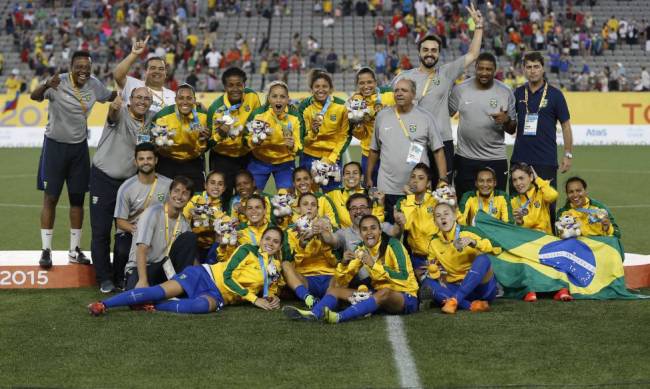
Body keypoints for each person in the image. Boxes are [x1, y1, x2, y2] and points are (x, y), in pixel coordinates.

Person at [31, 51, 115, 269]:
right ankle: (46, 250)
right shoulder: (57, 82)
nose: (83, 71)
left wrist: (134, 91)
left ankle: (74, 250)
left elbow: (111, 96)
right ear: (71, 66)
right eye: (79, 66)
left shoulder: (95, 85)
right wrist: (46, 85)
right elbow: (35, 96)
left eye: (87, 67)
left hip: (79, 149)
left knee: (77, 201)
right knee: (50, 198)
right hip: (54, 147)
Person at [88, 227, 284, 315]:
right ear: (261, 240)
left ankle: (152, 307)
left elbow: (269, 288)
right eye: (267, 239)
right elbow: (227, 277)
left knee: (201, 307)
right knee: (159, 290)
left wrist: (271, 297)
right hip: (204, 275)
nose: (270, 243)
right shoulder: (247, 250)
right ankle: (103, 304)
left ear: (280, 247)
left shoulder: (275, 267)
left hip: (218, 296)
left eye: (275, 241)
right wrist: (254, 299)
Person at [392, 4, 484, 182]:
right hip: (415, 142)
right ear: (419, 52)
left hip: (443, 141)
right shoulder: (404, 77)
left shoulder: (447, 72)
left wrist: (478, 26)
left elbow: (473, 54)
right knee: (415, 189)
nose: (429, 54)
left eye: (434, 50)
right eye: (425, 50)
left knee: (443, 189)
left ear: (439, 54)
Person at [283, 215, 418, 323]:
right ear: (360, 232)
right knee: (336, 290)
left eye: (373, 228)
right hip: (377, 295)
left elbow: (404, 277)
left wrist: (374, 265)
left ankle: (339, 317)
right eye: (364, 229)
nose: (369, 233)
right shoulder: (361, 249)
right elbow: (342, 281)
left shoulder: (394, 245)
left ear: (380, 230)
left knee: (385, 292)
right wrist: (343, 264)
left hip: (405, 296)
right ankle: (313, 314)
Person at [90, 88, 154, 293]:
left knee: (124, 232)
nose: (142, 102)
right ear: (130, 100)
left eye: (146, 98)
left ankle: (119, 276)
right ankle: (104, 278)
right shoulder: (121, 112)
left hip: (128, 184)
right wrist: (114, 107)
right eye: (138, 98)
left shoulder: (151, 119)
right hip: (103, 178)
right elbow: (113, 115)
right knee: (100, 231)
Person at [366, 78, 447, 221]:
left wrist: (442, 179)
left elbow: (438, 151)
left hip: (417, 189)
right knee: (389, 232)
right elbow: (374, 150)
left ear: (413, 94)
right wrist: (368, 176)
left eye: (404, 90)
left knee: (416, 235)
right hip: (387, 188)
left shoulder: (426, 117)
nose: (399, 93)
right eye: (396, 90)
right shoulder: (382, 116)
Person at [449, 52, 516, 196]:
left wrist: (506, 121)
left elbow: (512, 129)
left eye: (488, 69)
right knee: (464, 205)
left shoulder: (505, 92)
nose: (484, 73)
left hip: (495, 159)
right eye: (481, 68)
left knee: (496, 207)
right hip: (465, 159)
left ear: (495, 70)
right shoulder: (460, 90)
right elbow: (444, 115)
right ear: (475, 68)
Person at [418, 202, 500, 314]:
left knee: (483, 259)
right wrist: (437, 275)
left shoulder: (469, 231)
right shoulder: (433, 242)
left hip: (481, 288)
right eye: (438, 216)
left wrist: (474, 242)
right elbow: (434, 267)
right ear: (435, 222)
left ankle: (455, 300)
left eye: (446, 213)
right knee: (427, 283)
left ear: (455, 216)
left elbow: (497, 247)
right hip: (456, 286)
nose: (442, 217)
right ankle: (471, 306)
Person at [113, 143, 173, 291]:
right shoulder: (126, 188)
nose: (146, 162)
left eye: (149, 158)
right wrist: (138, 231)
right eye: (141, 159)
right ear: (135, 162)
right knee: (122, 250)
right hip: (132, 231)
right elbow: (120, 221)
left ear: (156, 160)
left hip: (160, 232)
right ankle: (121, 280)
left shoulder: (168, 184)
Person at [511, 51, 574, 192]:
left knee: (547, 207)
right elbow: (509, 123)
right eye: (529, 67)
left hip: (546, 160)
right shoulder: (517, 93)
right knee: (518, 209)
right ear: (523, 69)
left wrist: (568, 154)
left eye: (536, 66)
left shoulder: (555, 95)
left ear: (543, 68)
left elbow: (566, 126)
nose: (532, 71)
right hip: (519, 160)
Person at [123, 176, 197, 290]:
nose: (179, 196)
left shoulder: (184, 224)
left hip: (165, 269)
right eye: (176, 191)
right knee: (137, 297)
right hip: (142, 268)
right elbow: (141, 249)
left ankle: (180, 283)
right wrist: (143, 281)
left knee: (190, 238)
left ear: (189, 198)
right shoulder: (152, 213)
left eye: (185, 193)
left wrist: (203, 277)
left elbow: (191, 257)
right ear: (169, 192)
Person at [394, 163, 460, 278]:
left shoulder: (436, 199)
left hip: (440, 255)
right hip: (418, 258)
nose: (415, 181)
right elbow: (407, 225)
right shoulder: (403, 202)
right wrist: (410, 196)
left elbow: (455, 217)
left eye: (421, 178)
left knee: (443, 282)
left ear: (428, 183)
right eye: (413, 177)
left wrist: (452, 200)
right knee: (424, 285)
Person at [206, 67, 261, 203]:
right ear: (224, 87)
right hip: (223, 158)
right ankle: (222, 222)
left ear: (244, 85)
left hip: (246, 155)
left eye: (239, 85)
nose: (235, 89)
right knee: (223, 194)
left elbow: (258, 120)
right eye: (230, 85)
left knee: (246, 192)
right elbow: (209, 141)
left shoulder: (252, 97)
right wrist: (220, 133)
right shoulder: (216, 108)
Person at [281, 193, 338, 309]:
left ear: (317, 209)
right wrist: (302, 245)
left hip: (331, 277)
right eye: (305, 204)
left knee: (343, 271)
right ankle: (308, 298)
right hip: (305, 278)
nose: (309, 207)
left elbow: (337, 261)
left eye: (313, 205)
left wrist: (323, 237)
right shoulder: (290, 231)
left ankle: (323, 304)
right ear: (298, 208)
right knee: (285, 265)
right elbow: (291, 264)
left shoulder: (330, 228)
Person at [150, 84, 209, 193]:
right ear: (175, 100)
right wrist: (158, 142)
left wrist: (206, 139)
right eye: (181, 98)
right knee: (162, 195)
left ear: (195, 100)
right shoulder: (163, 116)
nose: (185, 102)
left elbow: (211, 142)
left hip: (193, 161)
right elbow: (152, 141)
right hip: (167, 161)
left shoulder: (204, 116)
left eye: (189, 98)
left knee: (197, 197)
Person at [298, 70, 350, 192]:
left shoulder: (341, 106)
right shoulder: (304, 107)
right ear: (311, 89)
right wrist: (313, 133)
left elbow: (345, 135)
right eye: (317, 86)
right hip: (308, 157)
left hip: (332, 157)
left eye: (324, 86)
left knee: (333, 196)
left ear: (331, 89)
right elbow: (302, 139)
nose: (321, 89)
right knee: (308, 197)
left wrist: (331, 158)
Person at [246, 81, 304, 191]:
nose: (278, 100)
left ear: (288, 99)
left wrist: (292, 146)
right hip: (259, 161)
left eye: (282, 97)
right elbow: (245, 140)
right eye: (274, 96)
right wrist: (254, 142)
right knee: (251, 196)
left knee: (286, 200)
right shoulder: (258, 114)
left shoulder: (295, 117)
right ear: (268, 99)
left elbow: (300, 148)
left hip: (285, 163)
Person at [348, 67, 395, 184]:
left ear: (375, 82)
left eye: (369, 82)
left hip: (390, 153)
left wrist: (371, 111)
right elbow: (360, 135)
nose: (366, 86)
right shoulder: (356, 103)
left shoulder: (389, 96)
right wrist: (357, 124)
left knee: (391, 190)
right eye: (362, 83)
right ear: (358, 85)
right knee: (370, 190)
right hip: (368, 154)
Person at [114, 36, 176, 113]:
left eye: (161, 69)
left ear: (165, 73)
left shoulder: (173, 96)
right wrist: (134, 54)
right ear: (145, 71)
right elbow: (118, 75)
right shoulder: (133, 84)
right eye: (153, 68)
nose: (157, 71)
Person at [208, 194, 272, 263]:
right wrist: (222, 247)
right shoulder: (238, 230)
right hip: (245, 271)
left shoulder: (274, 230)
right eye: (250, 208)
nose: (254, 211)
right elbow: (227, 260)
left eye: (258, 207)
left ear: (265, 210)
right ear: (246, 211)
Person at [183, 170, 227, 261]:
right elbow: (183, 220)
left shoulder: (223, 206)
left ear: (224, 188)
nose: (216, 187)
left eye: (220, 184)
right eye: (212, 183)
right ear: (205, 185)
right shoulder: (195, 200)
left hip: (210, 247)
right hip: (193, 245)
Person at [556, 177, 621, 238]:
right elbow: (558, 236)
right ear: (567, 194)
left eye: (578, 191)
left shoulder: (599, 208)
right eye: (571, 192)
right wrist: (564, 233)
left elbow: (617, 235)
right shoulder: (563, 213)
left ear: (585, 191)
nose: (575, 195)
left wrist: (607, 228)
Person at [325, 162, 385, 228]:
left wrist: (380, 205)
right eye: (347, 173)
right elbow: (318, 201)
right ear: (343, 177)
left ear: (361, 177)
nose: (351, 176)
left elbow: (377, 221)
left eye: (355, 173)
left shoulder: (370, 195)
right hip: (343, 236)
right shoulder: (334, 194)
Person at [510, 162, 558, 235]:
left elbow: (553, 196)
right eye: (514, 180)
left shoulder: (541, 193)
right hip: (528, 241)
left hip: (545, 239)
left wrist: (537, 179)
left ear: (531, 177)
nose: (518, 183)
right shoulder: (514, 201)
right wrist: (520, 223)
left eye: (521, 178)